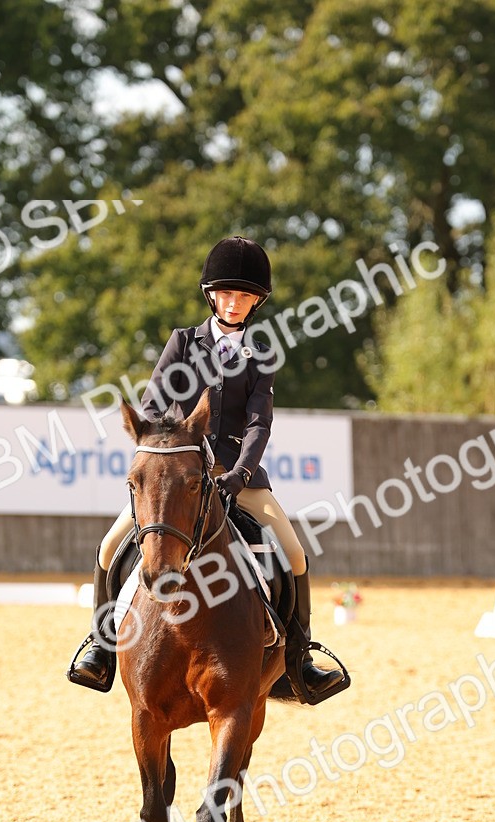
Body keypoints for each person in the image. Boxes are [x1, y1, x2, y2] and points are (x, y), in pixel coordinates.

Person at [69, 235, 344, 701]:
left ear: (256, 301)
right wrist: (170, 443)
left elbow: (259, 422)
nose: (234, 304)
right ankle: (100, 649)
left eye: (244, 296)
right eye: (227, 294)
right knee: (109, 546)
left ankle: (299, 662)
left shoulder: (262, 351)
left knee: (294, 554)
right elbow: (156, 401)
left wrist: (238, 474)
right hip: (180, 476)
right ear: (211, 295)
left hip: (241, 479)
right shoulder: (183, 342)